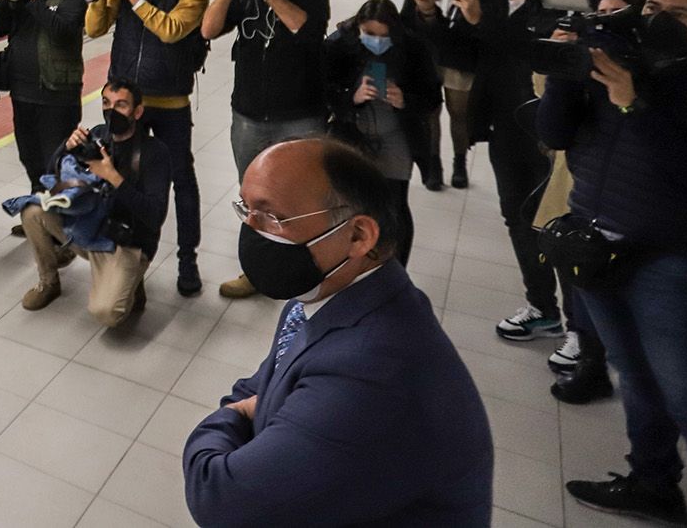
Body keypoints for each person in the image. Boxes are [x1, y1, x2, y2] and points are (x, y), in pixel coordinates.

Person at [183, 139, 494, 527]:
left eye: (270, 216)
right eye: (245, 209)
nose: (250, 230)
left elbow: (218, 497)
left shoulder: (372, 369)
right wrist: (252, 407)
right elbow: (261, 384)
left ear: (358, 236)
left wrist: (226, 419)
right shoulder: (324, 295)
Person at [537, 0, 687, 525]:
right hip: (597, 244)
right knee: (633, 376)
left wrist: (632, 102)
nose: (657, 19)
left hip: (671, 259)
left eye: (677, 15)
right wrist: (568, 69)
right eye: (651, 6)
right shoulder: (617, 60)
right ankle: (653, 483)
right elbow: (556, 133)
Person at [438, 0, 563, 343]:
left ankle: (584, 324)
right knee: (516, 216)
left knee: (559, 222)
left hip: (551, 129)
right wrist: (434, 14)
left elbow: (533, 53)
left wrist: (480, 21)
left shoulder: (556, 1)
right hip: (504, 126)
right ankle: (543, 306)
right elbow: (458, 55)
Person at [203, 0, 331, 297]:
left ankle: (313, 267)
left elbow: (304, 29)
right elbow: (208, 30)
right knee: (255, 199)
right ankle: (259, 271)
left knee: (305, 197)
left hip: (301, 116)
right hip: (248, 117)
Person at [85, 0, 209, 295]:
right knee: (121, 178)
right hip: (125, 103)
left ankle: (187, 260)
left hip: (169, 104)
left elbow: (170, 29)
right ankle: (128, 255)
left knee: (181, 182)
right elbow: (94, 28)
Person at [535, 0, 637, 405]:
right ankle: (590, 361)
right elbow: (553, 130)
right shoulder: (581, 70)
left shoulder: (653, 78)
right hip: (587, 204)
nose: (603, 25)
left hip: (641, 219)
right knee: (585, 294)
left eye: (617, 16)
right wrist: (563, 67)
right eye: (600, 15)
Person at [14, 81, 170, 326]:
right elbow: (51, 177)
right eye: (106, 103)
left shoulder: (154, 152)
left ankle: (131, 284)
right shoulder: (98, 135)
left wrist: (114, 178)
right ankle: (49, 282)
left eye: (121, 105)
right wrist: (64, 148)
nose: (111, 111)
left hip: (126, 241)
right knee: (32, 211)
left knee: (106, 313)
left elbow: (154, 216)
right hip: (88, 226)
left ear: (137, 112)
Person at [323, 0, 439, 265]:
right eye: (370, 34)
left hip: (395, 135)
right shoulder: (339, 45)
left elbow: (431, 97)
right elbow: (322, 91)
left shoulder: (413, 48)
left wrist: (405, 100)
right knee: (349, 203)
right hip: (352, 134)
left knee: (394, 206)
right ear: (358, 28)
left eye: (384, 36)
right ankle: (349, 262)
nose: (377, 41)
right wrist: (352, 96)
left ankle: (396, 267)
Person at [0, 0, 86, 195]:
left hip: (57, 96)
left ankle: (58, 217)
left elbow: (61, 32)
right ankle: (38, 208)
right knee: (29, 155)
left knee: (56, 158)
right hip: (23, 94)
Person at [405, 0, 484, 190]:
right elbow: (407, 24)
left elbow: (478, 31)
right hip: (425, 62)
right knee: (429, 115)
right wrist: (425, 9)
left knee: (459, 115)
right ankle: (433, 166)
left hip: (460, 62)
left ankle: (459, 163)